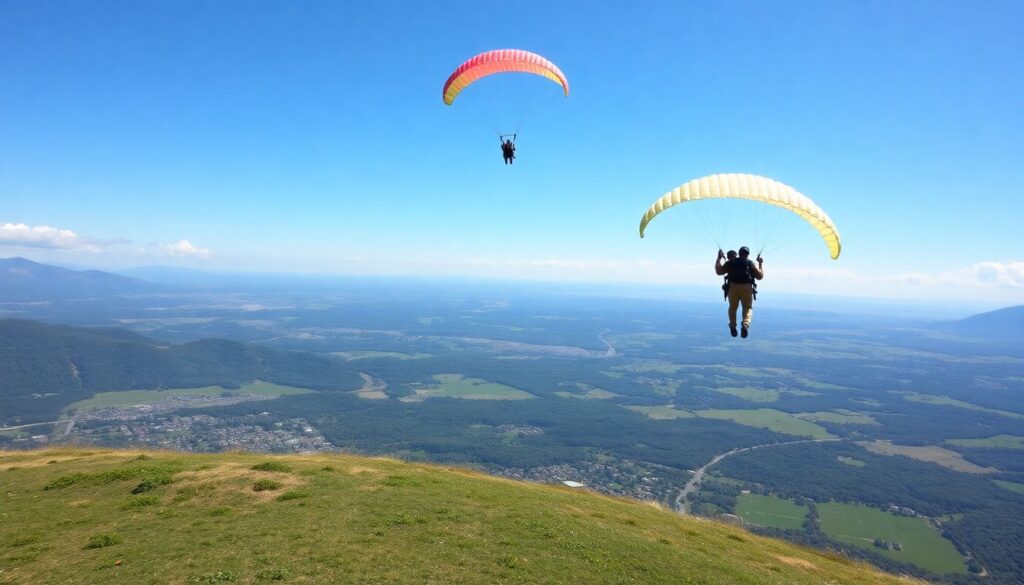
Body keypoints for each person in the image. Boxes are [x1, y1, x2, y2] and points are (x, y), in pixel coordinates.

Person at [715, 246, 764, 338]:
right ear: (747, 254)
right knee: (747, 307)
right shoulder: (750, 263)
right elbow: (760, 276)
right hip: (747, 287)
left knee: (733, 307)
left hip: (733, 287)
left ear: (739, 253)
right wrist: (760, 263)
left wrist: (719, 259)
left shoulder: (731, 262)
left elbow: (719, 271)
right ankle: (745, 324)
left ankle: (733, 326)